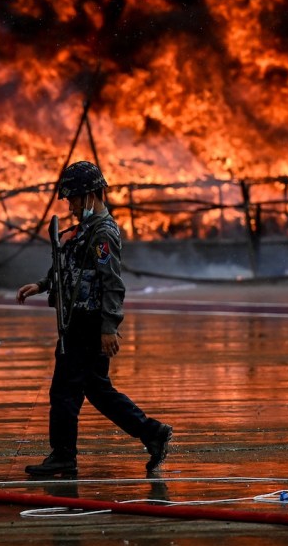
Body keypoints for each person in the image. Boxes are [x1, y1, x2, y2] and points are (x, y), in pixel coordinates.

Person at [17, 160, 172, 476]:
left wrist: (109, 327)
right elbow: (70, 268)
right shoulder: (83, 230)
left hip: (88, 324)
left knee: (64, 391)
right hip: (76, 321)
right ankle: (152, 433)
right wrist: (42, 285)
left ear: (90, 195)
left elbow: (112, 282)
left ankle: (63, 456)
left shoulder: (103, 232)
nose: (71, 207)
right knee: (97, 390)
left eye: (74, 199)